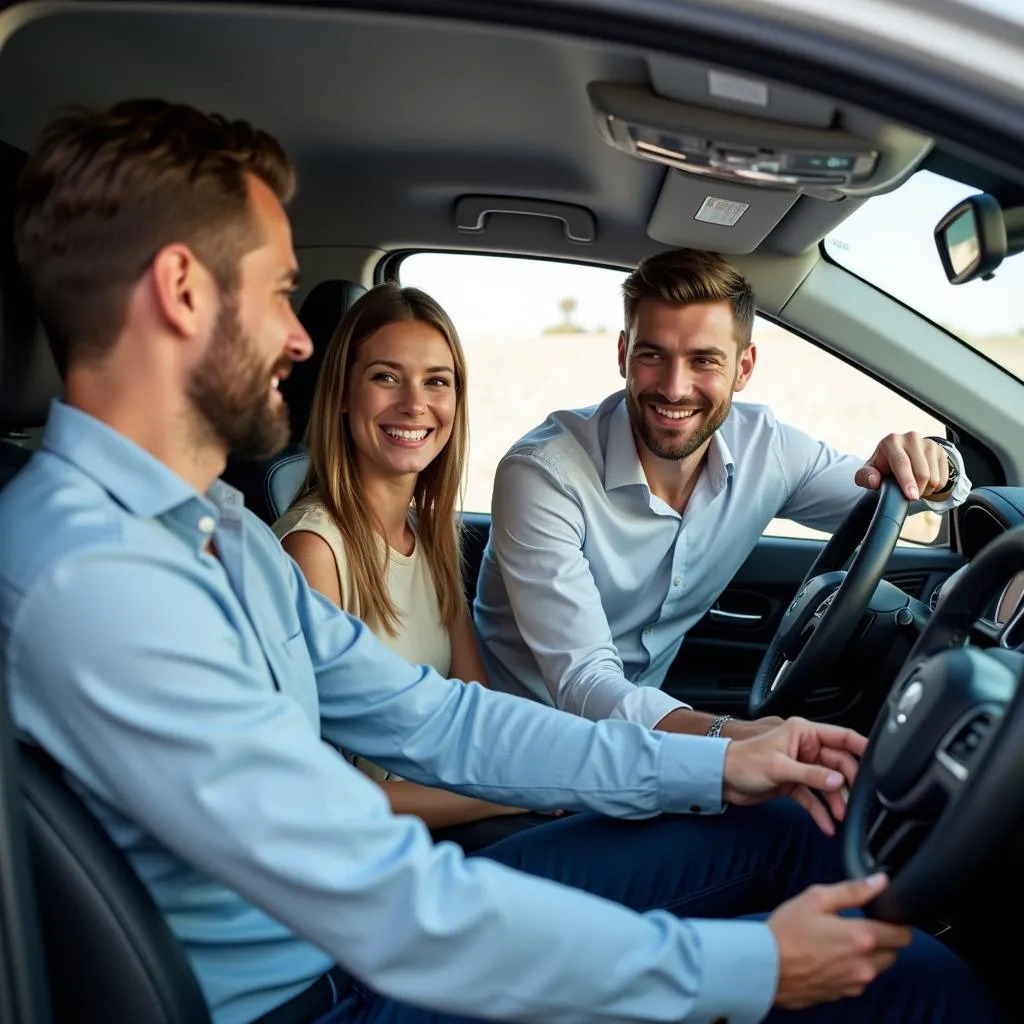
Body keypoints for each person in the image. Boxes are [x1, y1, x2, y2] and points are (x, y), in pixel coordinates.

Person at [0, 99, 1002, 1024]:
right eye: (276, 291)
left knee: (783, 829)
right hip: (319, 999)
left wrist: (721, 761)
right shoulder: (96, 581)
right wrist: (748, 967)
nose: (301, 337)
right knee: (908, 992)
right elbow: (386, 898)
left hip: (359, 953)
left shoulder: (211, 529)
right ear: (180, 290)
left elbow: (430, 715)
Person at [473, 248, 972, 737]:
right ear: (624, 354)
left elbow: (890, 493)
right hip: (522, 754)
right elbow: (584, 681)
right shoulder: (543, 475)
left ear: (744, 367)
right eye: (653, 355)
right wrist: (735, 740)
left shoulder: (766, 448)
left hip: (648, 738)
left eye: (703, 360)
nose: (674, 387)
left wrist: (935, 464)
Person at [275, 283, 545, 845]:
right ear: (344, 394)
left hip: (451, 818)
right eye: (386, 376)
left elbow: (474, 711)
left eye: (436, 381)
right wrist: (503, 791)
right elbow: (321, 791)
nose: (414, 403)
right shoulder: (313, 552)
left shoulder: (429, 533)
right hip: (380, 851)